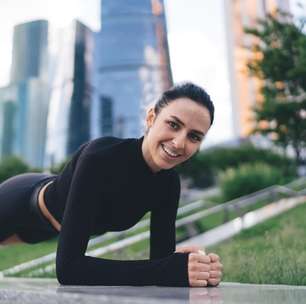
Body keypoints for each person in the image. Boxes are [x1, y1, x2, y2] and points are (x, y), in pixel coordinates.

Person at [0, 82, 223, 287]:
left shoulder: (168, 184)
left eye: (194, 137)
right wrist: (167, 270)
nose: (179, 142)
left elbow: (160, 264)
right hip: (19, 203)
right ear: (151, 118)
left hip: (45, 230)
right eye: (173, 124)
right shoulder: (100, 157)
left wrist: (188, 265)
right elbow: (69, 270)